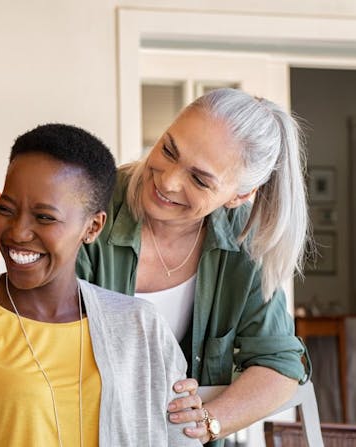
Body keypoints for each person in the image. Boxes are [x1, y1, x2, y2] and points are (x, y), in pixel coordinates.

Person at [0, 124, 199, 446]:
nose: (18, 232)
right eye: (6, 209)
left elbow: (180, 437)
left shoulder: (141, 327)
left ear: (92, 227)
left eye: (44, 217)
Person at [76, 88, 310, 445]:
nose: (168, 180)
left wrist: (208, 421)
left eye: (200, 179)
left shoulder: (243, 243)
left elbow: (280, 365)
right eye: (169, 149)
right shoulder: (91, 203)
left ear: (240, 196)